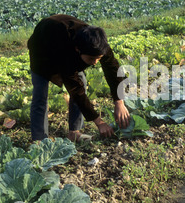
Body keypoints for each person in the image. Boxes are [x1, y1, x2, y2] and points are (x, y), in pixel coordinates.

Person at [27, 14, 130, 142]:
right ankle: (39, 140)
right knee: (40, 94)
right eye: (91, 59)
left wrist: (119, 102)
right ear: (78, 50)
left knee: (83, 81)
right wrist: (99, 122)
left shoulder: (100, 45)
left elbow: (114, 71)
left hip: (65, 44)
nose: (95, 63)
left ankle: (74, 132)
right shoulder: (66, 52)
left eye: (98, 58)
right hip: (41, 47)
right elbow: (75, 90)